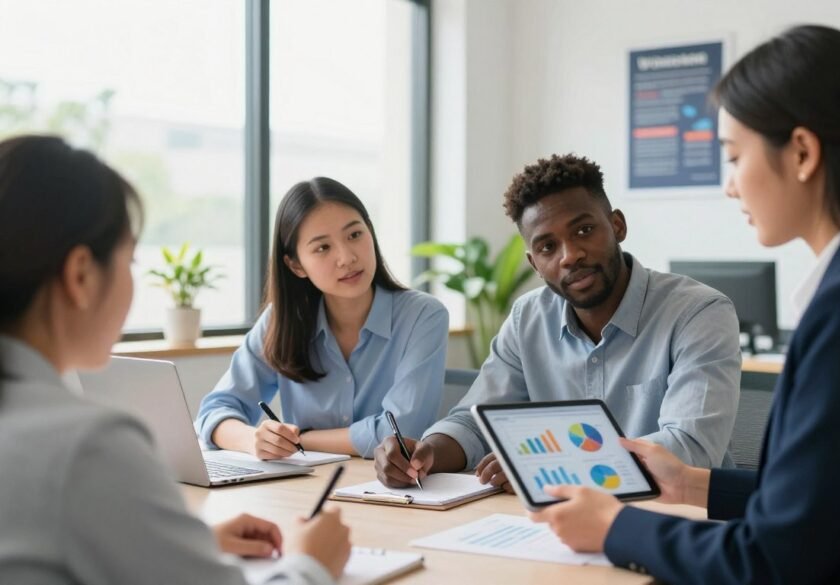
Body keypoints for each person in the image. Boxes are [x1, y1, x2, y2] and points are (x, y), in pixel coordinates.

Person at [530, 25, 840, 584]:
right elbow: (826, 497)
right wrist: (692, 483)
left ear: (803, 152)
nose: (730, 186)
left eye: (735, 157)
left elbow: (772, 560)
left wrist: (615, 528)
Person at [0, 135, 350, 583]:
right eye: (131, 261)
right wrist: (310, 564)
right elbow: (219, 409)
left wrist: (183, 543)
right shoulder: (88, 447)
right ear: (81, 275)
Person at [376, 153, 741, 490]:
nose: (570, 256)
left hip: (678, 519)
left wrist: (543, 463)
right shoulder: (527, 319)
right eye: (548, 247)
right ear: (535, 264)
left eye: (584, 231)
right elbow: (475, 423)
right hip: (560, 522)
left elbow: (689, 447)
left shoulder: (699, 312)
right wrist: (427, 453)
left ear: (616, 226)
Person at [195, 177, 448, 460]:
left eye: (355, 235)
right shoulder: (282, 320)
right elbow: (214, 411)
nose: (347, 257)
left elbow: (400, 431)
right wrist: (254, 439)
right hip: (306, 490)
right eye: (323, 248)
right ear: (296, 265)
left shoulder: (423, 317)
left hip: (393, 493)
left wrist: (301, 439)